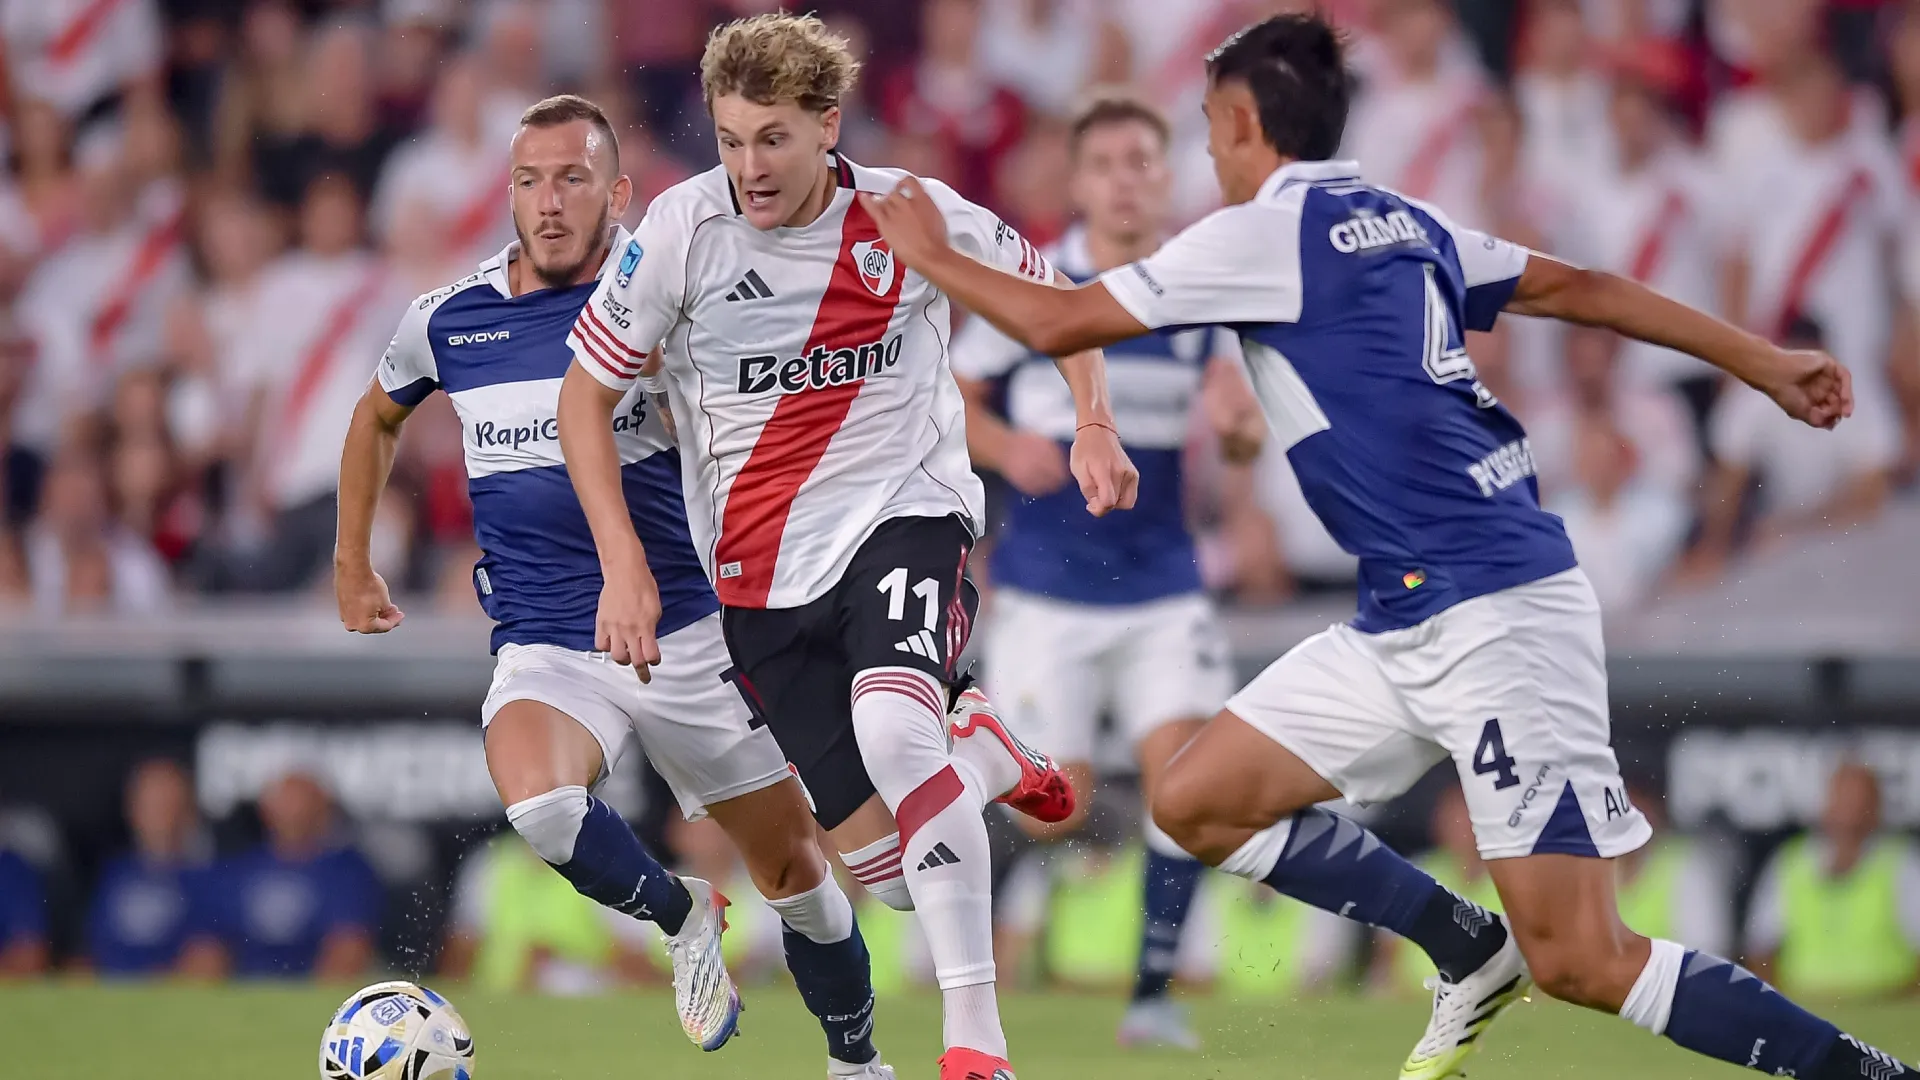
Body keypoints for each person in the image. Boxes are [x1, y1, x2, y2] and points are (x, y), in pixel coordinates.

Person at [859, 12, 1910, 1080]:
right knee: (1193, 796)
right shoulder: (1399, 217)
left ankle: (1866, 1074)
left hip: (1498, 612)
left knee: (1587, 959)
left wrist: (932, 254)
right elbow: (1581, 288)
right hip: (1404, 610)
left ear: (1242, 123)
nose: (1206, 156)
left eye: (1212, 131)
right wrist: (1762, 362)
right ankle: (1465, 947)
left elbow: (1058, 322)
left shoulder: (1259, 233)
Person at [554, 16, 1135, 1080]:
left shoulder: (907, 214)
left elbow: (1062, 307)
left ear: (828, 127)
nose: (748, 167)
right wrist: (624, 562)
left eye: (771, 139)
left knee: (898, 731)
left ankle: (977, 1045)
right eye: (731, 139)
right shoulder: (681, 233)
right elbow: (582, 398)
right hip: (758, 581)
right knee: (897, 872)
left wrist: (1091, 418)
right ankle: (992, 749)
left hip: (901, 513)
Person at [337, 94, 896, 1077]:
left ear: (619, 192)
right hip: (550, 639)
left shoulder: (671, 297)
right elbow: (377, 418)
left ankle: (856, 1062)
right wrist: (353, 559)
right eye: (528, 180)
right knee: (541, 811)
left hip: (689, 634)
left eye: (572, 178)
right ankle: (683, 919)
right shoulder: (450, 320)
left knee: (799, 878)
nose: (548, 202)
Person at [950, 90, 1262, 1052]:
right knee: (1056, 811)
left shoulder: (1198, 294)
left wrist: (1241, 427)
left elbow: (1244, 440)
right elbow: (953, 397)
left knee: (1189, 790)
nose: (1128, 180)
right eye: (1108, 163)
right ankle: (967, 924)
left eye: (1144, 161)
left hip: (1164, 586)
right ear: (1079, 183)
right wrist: (1006, 448)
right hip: (1048, 590)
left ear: (1167, 177)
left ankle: (1151, 995)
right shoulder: (1042, 288)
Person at [1745, 762, 1920, 1000]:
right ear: (1825, 805)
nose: (1851, 815)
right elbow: (1761, 950)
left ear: (1877, 809)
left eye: (1861, 803)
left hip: (1886, 1004)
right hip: (1806, 1009)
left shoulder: (1901, 863)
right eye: (1844, 802)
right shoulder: (1791, 862)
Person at [215, 771, 381, 979]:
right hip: (243, 987)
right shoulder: (242, 869)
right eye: (285, 802)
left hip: (314, 990)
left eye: (303, 801)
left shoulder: (347, 870)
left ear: (323, 807)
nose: (294, 812)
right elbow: (210, 943)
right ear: (266, 810)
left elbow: (349, 947)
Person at [85, 759, 226, 977]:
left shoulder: (207, 880)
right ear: (132, 809)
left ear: (189, 812)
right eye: (151, 804)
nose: (161, 817)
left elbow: (208, 963)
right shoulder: (114, 875)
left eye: (169, 805)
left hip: (169, 1001)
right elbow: (84, 958)